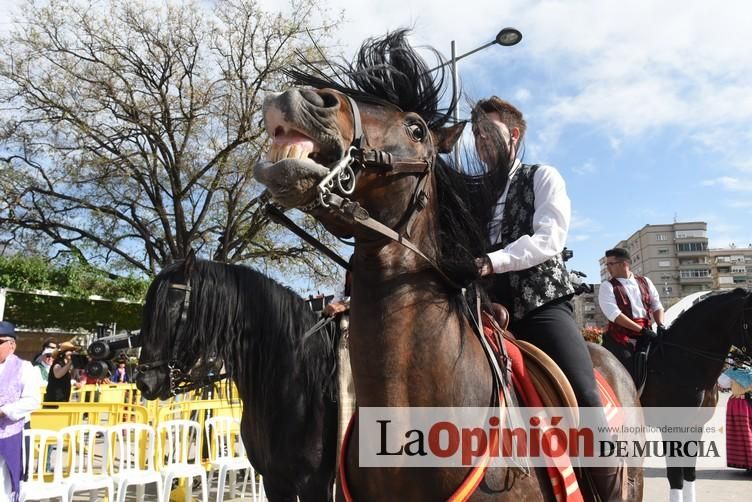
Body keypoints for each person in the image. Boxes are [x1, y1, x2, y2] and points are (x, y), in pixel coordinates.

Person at [471, 96, 624, 501]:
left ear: (514, 135)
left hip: (539, 305)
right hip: (482, 309)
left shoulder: (543, 176)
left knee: (585, 394)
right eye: (474, 135)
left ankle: (608, 495)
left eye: (487, 132)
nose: (479, 142)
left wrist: (491, 261)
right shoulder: (474, 193)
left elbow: (548, 239)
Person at [597, 247, 665, 385]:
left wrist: (661, 325)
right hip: (620, 338)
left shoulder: (645, 281)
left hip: (646, 335)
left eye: (611, 264)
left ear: (624, 264)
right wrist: (641, 330)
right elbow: (614, 315)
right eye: (607, 264)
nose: (608, 268)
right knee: (627, 371)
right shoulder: (607, 286)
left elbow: (657, 305)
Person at [0, 321, 42, 502]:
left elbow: (33, 400)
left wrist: (4, 411)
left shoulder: (24, 368)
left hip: (7, 434)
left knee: (3, 485)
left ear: (12, 345)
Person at [723, 365, 752, 472]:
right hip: (749, 402)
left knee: (741, 434)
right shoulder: (750, 371)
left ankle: (746, 463)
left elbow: (722, 383)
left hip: (737, 404)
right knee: (749, 432)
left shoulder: (731, 372)